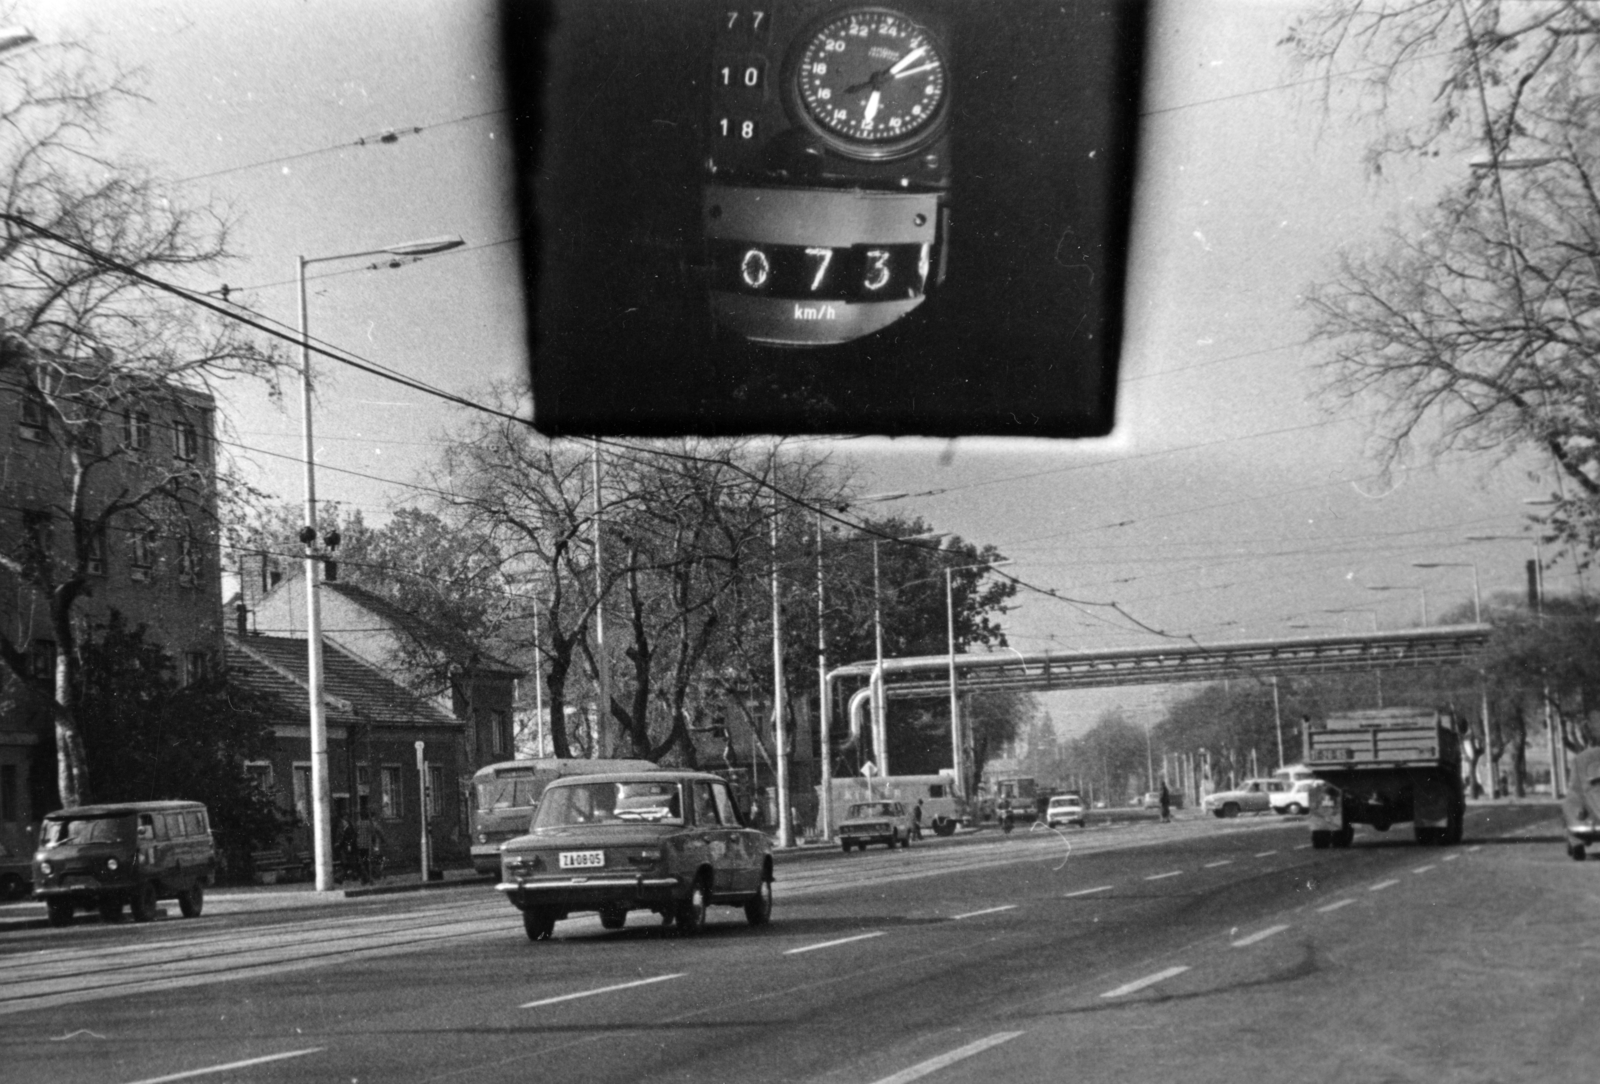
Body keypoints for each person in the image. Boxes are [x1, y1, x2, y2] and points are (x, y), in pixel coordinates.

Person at [354, 811, 386, 884]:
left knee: (362, 861)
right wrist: (375, 842)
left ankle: (364, 878)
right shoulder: (369, 823)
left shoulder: (358, 823)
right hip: (367, 845)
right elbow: (373, 833)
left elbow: (355, 833)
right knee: (368, 862)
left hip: (359, 845)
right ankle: (370, 879)